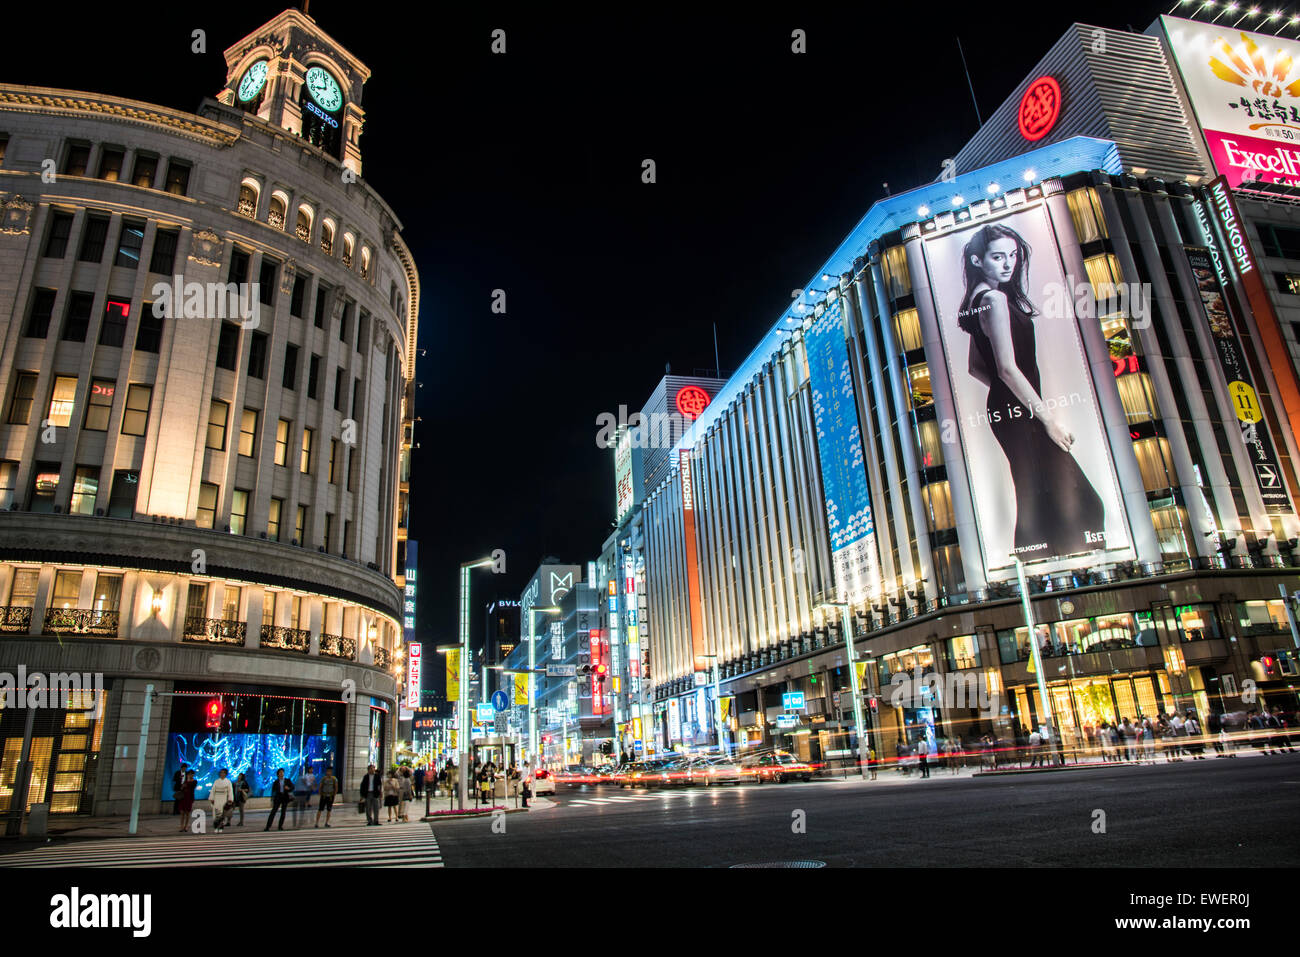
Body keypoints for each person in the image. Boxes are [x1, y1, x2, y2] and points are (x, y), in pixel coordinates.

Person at [956, 223, 1105, 560]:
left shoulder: (983, 299)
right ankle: (1045, 575)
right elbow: (1006, 368)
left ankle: (1040, 571)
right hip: (1022, 412)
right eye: (998, 257)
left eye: (1013, 255)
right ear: (977, 260)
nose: (1008, 264)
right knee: (1065, 499)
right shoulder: (992, 299)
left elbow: (977, 367)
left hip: (1011, 408)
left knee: (1040, 495)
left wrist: (1005, 394)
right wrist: (1047, 418)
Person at [209, 768, 235, 833]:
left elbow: (230, 791)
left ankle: (221, 826)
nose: (222, 774)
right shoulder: (216, 781)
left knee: (222, 814)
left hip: (223, 798)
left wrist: (230, 799)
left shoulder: (228, 782)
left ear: (226, 774)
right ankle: (215, 826)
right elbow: (213, 790)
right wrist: (211, 798)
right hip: (217, 798)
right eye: (221, 773)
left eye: (223, 773)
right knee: (216, 813)